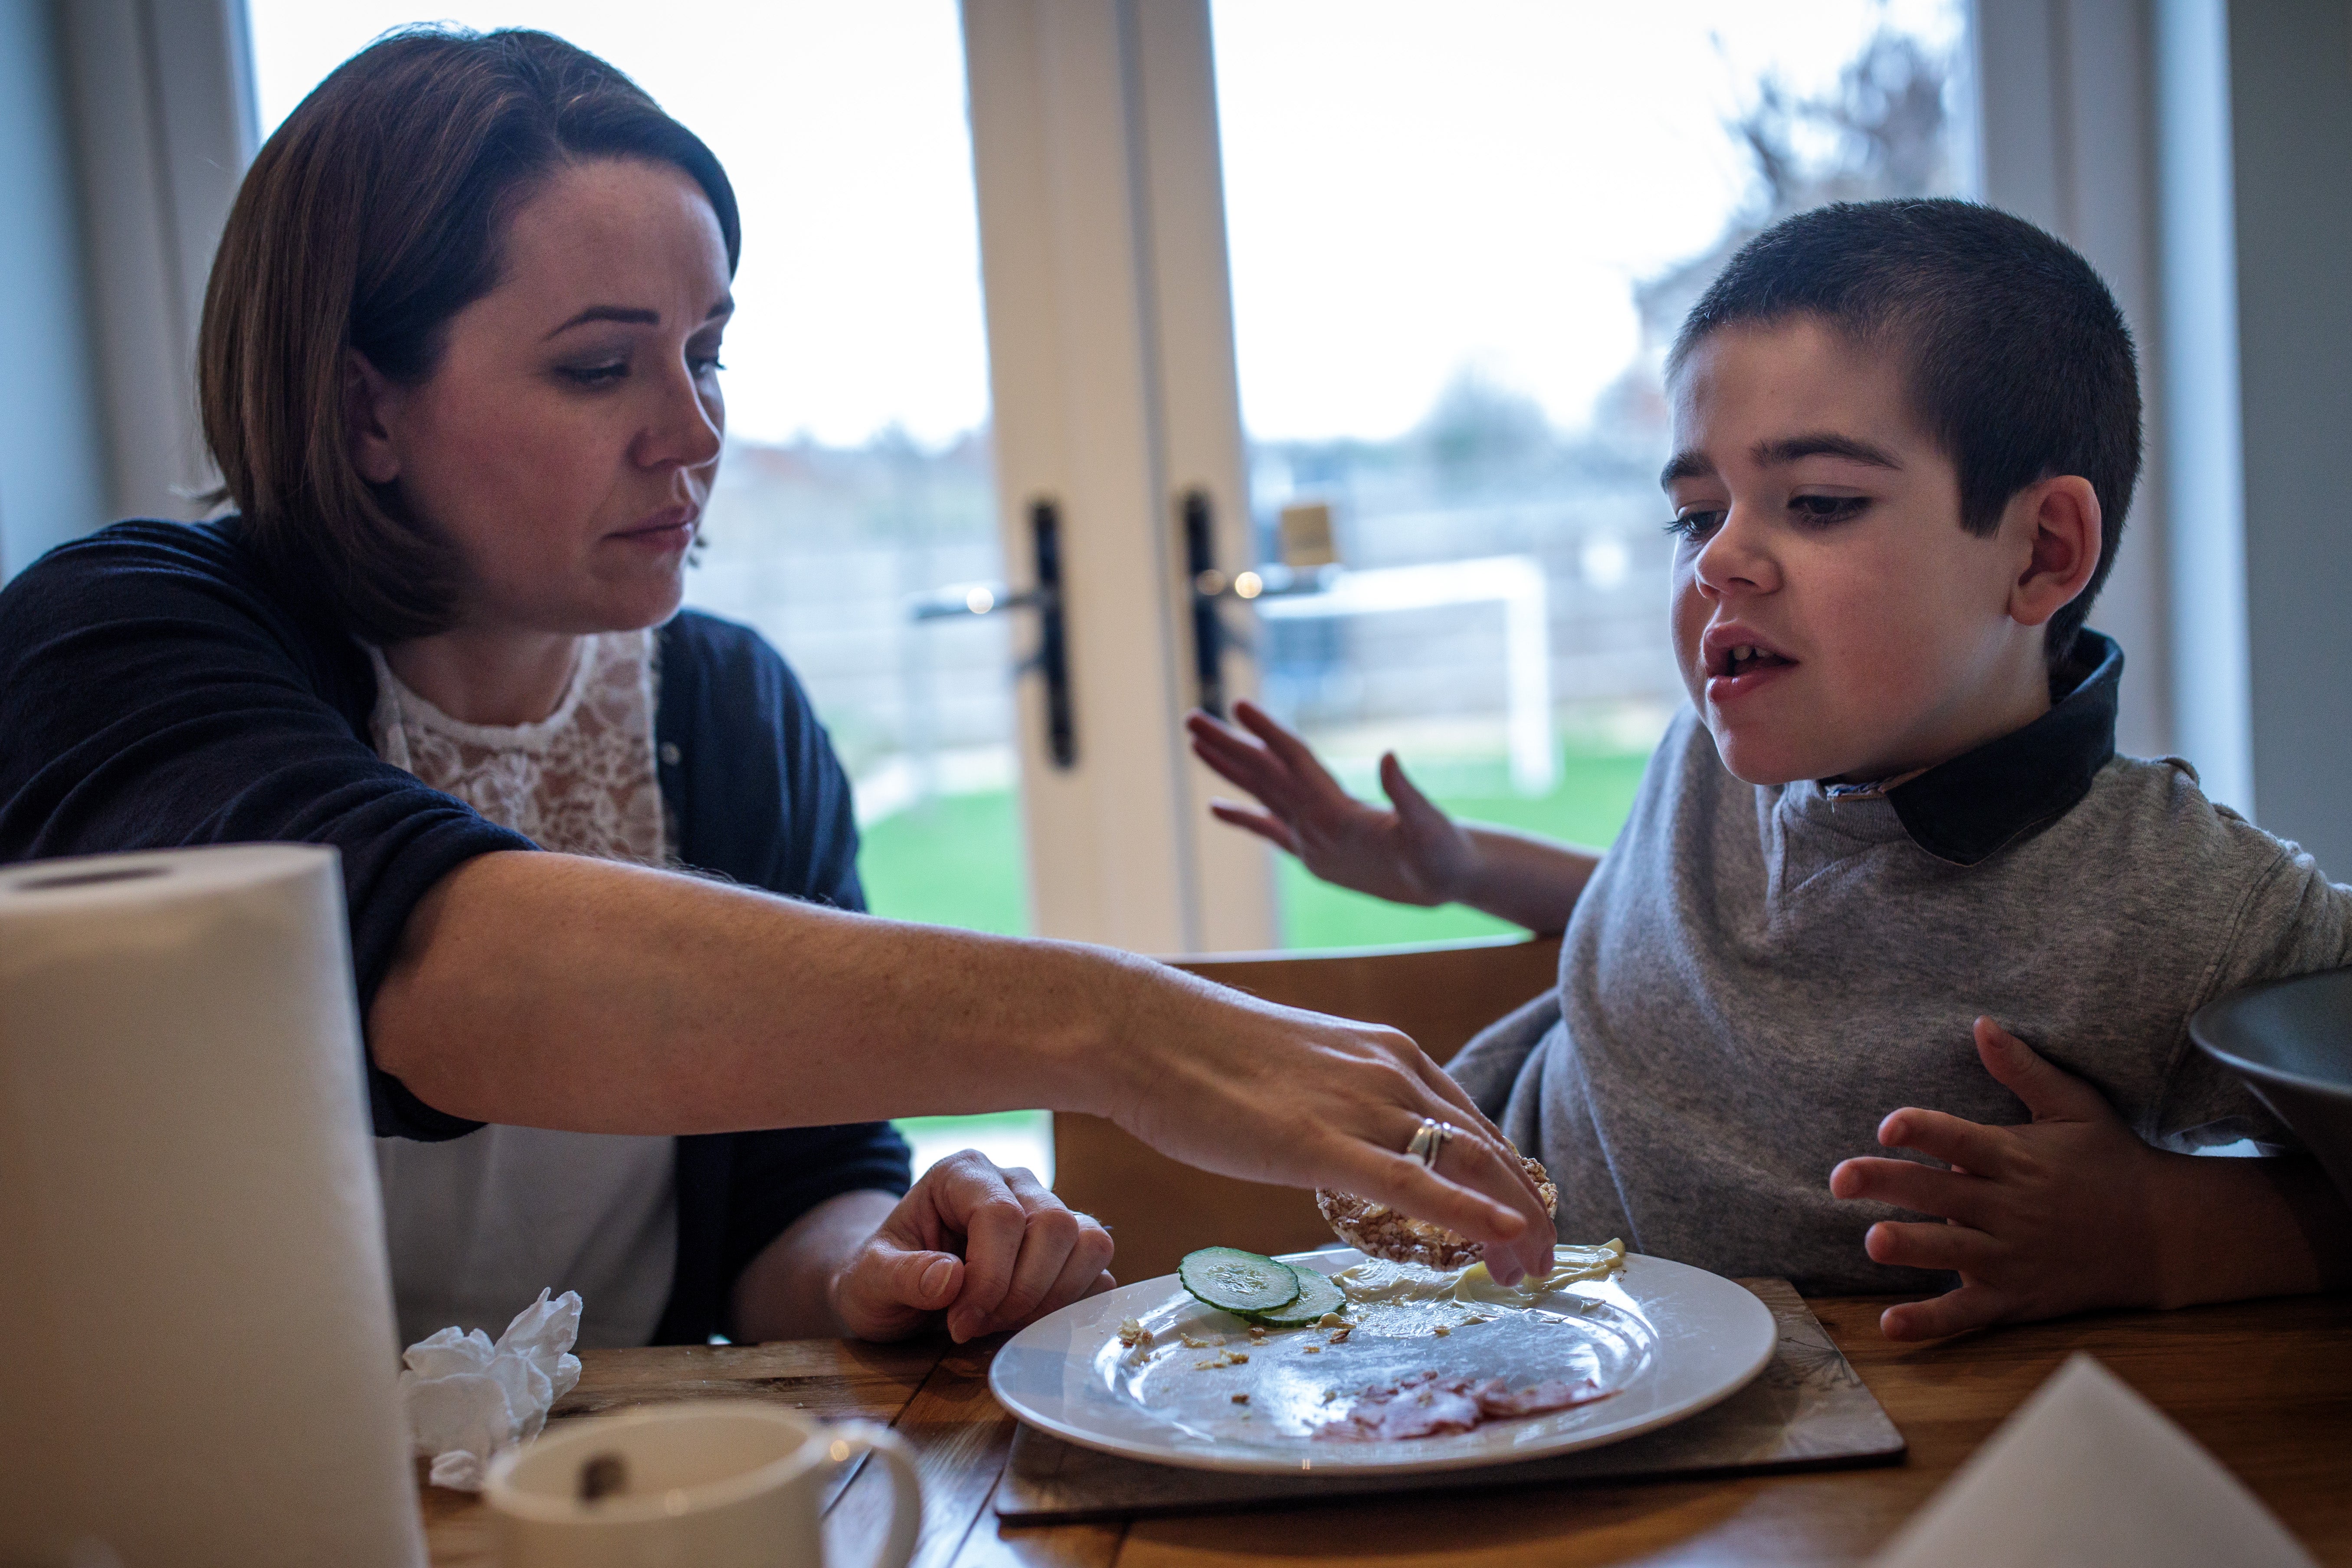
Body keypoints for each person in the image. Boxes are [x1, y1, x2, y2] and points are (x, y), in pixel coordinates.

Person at [0, 26, 1556, 1354]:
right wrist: (1126, 1029)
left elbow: (793, 1192)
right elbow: (432, 971)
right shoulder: (118, 641)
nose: (690, 434)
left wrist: (880, 1259)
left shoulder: (734, 707)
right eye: (601, 369)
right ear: (363, 410)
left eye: (709, 354)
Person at [1189, 198, 2352, 1340]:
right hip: (1456, 1324)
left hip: (1832, 1451)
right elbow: (1696, 924)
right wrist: (1460, 867)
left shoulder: (2185, 906)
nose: (1723, 561)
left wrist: (2161, 1232)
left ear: (2042, 552)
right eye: (1695, 516)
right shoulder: (1725, 743)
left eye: (1822, 503)